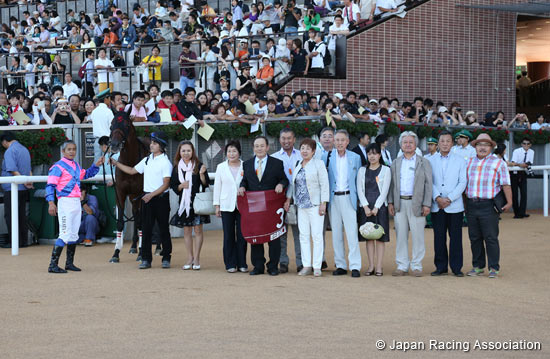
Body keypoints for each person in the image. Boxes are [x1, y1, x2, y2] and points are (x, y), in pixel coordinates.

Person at [110, 132, 173, 269]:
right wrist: (116, 164)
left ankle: (166, 257)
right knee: (146, 228)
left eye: (154, 143)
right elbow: (132, 170)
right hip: (147, 198)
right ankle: (146, 258)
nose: (151, 145)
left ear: (161, 146)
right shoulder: (146, 160)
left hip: (160, 199)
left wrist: (151, 195)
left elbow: (166, 184)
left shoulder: (165, 162)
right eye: (151, 143)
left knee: (163, 229)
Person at [46, 141, 104, 273]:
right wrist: (51, 202)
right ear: (63, 151)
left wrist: (96, 165)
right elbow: (50, 185)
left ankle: (69, 263)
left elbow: (86, 174)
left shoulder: (76, 166)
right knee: (65, 234)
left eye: (74, 149)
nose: (72, 151)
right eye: (69, 149)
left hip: (76, 202)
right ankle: (52, 265)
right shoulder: (57, 166)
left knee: (73, 235)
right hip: (65, 202)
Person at [238, 136, 289, 276]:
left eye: (262, 146)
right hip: (254, 208)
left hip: (272, 207)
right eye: (256, 146)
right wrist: (242, 187)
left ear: (267, 147)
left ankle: (273, 266)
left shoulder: (277, 163)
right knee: (256, 236)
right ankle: (258, 266)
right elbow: (245, 181)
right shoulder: (247, 164)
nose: (259, 148)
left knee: (274, 238)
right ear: (253, 148)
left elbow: (284, 179)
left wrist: (281, 184)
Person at [465, 133, 512, 278]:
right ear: (475, 147)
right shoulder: (469, 162)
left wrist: (510, 202)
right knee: (474, 237)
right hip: (471, 204)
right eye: (480, 144)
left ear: (491, 147)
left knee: (490, 237)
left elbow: (505, 184)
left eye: (486, 145)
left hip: (488, 205)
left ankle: (493, 268)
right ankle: (478, 266)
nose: (482, 147)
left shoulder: (498, 163)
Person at [388, 131, 432, 277]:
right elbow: (392, 184)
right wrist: (390, 202)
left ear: (416, 144)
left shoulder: (423, 162)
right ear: (401, 145)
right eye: (405, 142)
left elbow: (429, 184)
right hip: (400, 202)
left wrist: (426, 204)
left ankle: (417, 266)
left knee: (418, 235)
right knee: (401, 235)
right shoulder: (395, 162)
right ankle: (402, 265)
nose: (407, 144)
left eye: (410, 142)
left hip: (417, 203)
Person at [284, 138, 329, 277]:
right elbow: (293, 184)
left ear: (313, 151)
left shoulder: (319, 164)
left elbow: (324, 184)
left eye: (308, 148)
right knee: (303, 236)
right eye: (302, 148)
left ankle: (317, 266)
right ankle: (306, 265)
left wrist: (324, 203)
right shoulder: (298, 164)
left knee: (316, 236)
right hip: (301, 206)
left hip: (315, 205)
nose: (304, 151)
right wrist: (288, 199)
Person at [427, 131, 467, 277]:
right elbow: (429, 181)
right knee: (439, 237)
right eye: (442, 141)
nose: (445, 143)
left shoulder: (460, 160)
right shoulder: (430, 160)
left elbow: (462, 182)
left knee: (456, 237)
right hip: (437, 205)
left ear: (452, 143)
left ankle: (456, 267)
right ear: (438, 143)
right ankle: (440, 266)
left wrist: (449, 198)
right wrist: (437, 198)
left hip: (454, 206)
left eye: (448, 141)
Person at [323, 129, 362, 278]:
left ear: (347, 142)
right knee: (336, 234)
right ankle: (340, 265)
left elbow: (359, 179)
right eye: (337, 140)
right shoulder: (327, 156)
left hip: (349, 198)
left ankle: (355, 265)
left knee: (352, 233)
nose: (339, 143)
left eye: (342, 140)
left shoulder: (355, 157)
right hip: (333, 199)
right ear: (334, 141)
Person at [170, 141, 210, 270]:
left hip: (197, 204)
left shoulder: (199, 165)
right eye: (183, 151)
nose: (186, 153)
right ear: (179, 152)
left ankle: (197, 258)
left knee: (198, 230)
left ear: (193, 151)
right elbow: (173, 186)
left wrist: (202, 174)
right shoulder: (177, 167)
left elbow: (205, 184)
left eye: (188, 150)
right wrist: (181, 186)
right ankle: (189, 257)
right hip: (184, 204)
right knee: (186, 231)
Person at [357, 143, 391, 276]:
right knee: (369, 237)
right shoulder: (362, 170)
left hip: (380, 208)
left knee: (380, 238)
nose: (372, 156)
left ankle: (379, 267)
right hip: (365, 207)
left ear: (380, 155)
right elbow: (359, 189)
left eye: (374, 153)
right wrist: (365, 206)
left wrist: (377, 207)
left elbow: (385, 191)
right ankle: (370, 266)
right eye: (369, 153)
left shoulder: (386, 170)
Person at [213, 141, 247, 273]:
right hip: (226, 205)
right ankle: (230, 263)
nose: (231, 154)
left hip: (242, 206)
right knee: (228, 235)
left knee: (242, 235)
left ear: (239, 152)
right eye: (229, 151)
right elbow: (217, 187)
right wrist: (217, 206)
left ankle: (242, 263)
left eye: (234, 151)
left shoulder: (246, 165)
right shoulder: (221, 167)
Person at [272, 128, 302, 273]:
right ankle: (282, 262)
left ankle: (301, 262)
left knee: (299, 234)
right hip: (280, 201)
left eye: (289, 138)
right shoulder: (274, 157)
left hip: (300, 200)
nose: (286, 141)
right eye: (283, 138)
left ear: (294, 139)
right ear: (279, 140)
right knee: (281, 233)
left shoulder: (302, 156)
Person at [0, 132, 32, 249]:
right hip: (24, 188)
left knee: (11, 215)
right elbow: (29, 169)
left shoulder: (9, 151)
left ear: (4, 141)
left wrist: (23, 180)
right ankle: (23, 241)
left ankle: (14, 242)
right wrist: (28, 181)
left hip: (13, 188)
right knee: (21, 215)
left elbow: (12, 169)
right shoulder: (24, 149)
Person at [509, 137, 534, 219]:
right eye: (524, 143)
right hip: (514, 174)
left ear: (530, 145)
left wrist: (523, 165)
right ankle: (516, 213)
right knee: (514, 194)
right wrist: (520, 165)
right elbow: (513, 162)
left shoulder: (532, 152)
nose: (526, 145)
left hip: (523, 173)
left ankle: (522, 212)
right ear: (521, 144)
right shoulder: (516, 151)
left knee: (524, 193)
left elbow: (529, 162)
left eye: (528, 144)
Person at [90, 89, 114, 161]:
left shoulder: (94, 111)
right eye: (109, 98)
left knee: (97, 162)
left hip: (97, 140)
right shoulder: (108, 111)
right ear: (106, 99)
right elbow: (112, 126)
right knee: (107, 162)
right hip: (107, 141)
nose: (110, 100)